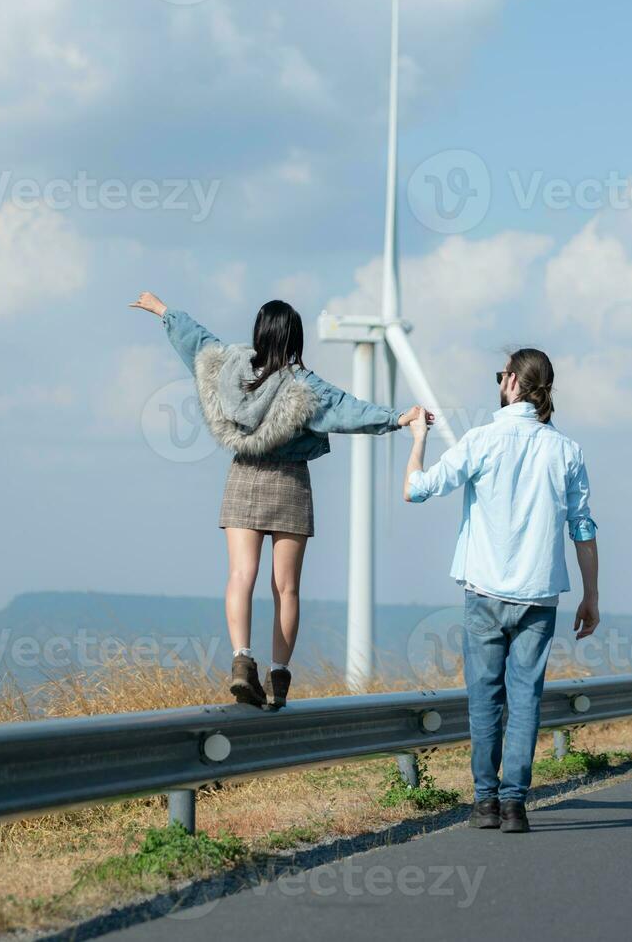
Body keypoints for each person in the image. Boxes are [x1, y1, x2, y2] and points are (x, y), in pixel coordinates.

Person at [131, 292, 429, 709]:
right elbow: (348, 409)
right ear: (296, 338)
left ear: (259, 333)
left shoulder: (230, 372)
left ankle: (241, 663)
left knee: (241, 575)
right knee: (286, 588)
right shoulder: (303, 386)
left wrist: (164, 312)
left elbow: (199, 344)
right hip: (289, 484)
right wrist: (398, 418)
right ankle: (279, 676)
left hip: (244, 477)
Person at [402, 348, 600, 833]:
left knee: (484, 698)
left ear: (511, 382)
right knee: (526, 697)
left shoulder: (481, 440)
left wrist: (418, 438)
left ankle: (485, 802)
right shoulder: (567, 451)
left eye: (500, 375)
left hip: (484, 592)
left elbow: (417, 490)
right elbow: (584, 530)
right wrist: (591, 596)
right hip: (539, 595)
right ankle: (515, 804)